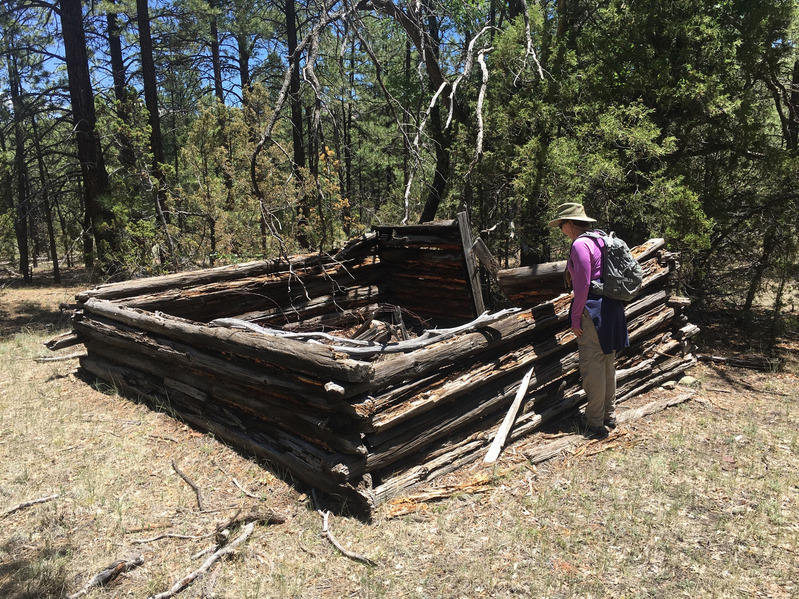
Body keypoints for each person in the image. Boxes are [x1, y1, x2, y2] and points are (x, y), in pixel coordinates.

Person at [549, 202, 629, 439]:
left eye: (561, 224)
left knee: (592, 364)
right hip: (613, 306)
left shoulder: (580, 244)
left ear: (571, 224)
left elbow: (582, 284)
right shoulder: (602, 239)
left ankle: (594, 421)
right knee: (607, 362)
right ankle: (608, 414)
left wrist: (575, 316)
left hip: (594, 309)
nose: (561, 229)